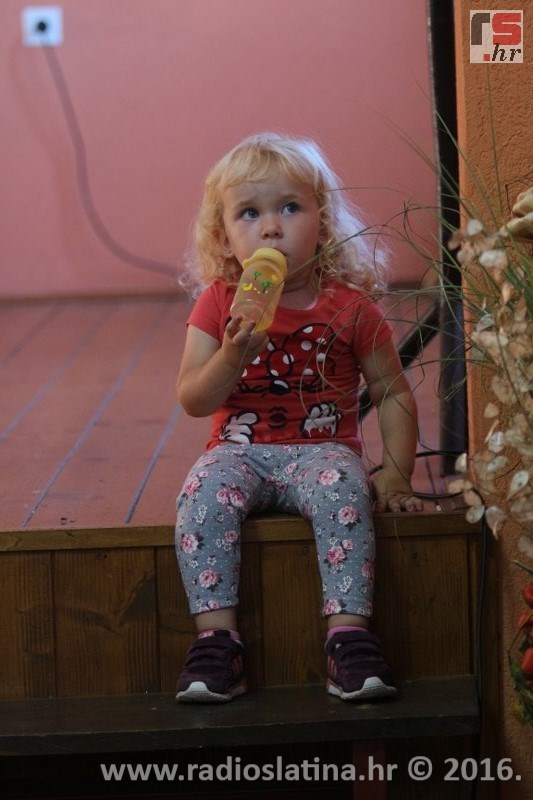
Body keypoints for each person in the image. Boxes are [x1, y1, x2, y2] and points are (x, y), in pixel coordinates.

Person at [174, 132, 423, 704]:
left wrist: (396, 473)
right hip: (238, 451)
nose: (270, 228)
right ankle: (217, 643)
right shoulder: (219, 301)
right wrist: (232, 355)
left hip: (324, 452)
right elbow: (193, 398)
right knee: (201, 495)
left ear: (323, 221)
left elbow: (390, 391)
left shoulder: (351, 307)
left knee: (345, 494)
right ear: (224, 235)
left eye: (289, 207)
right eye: (249, 213)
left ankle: (348, 638)